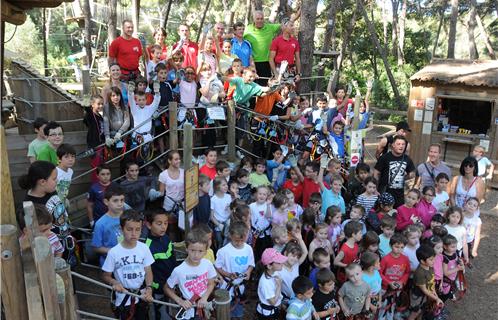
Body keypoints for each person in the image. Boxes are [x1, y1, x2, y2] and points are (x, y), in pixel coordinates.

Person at [102, 210, 154, 320]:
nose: (134, 233)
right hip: (123, 297)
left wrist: (149, 288)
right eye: (129, 229)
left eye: (138, 229)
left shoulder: (144, 248)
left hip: (141, 296)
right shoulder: (114, 252)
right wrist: (114, 282)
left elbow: (148, 271)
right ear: (121, 229)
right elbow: (106, 275)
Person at [165, 229, 217, 319]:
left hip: (204, 306)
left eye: (200, 251)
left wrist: (204, 297)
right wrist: (180, 301)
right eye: (192, 250)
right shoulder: (179, 270)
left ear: (206, 251)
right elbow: (167, 288)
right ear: (186, 249)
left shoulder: (207, 264)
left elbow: (211, 283)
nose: (196, 255)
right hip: (188, 310)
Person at [20, 161, 70, 250]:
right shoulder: (30, 207)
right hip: (52, 249)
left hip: (65, 238)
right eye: (54, 179)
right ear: (42, 182)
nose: (57, 181)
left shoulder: (51, 190)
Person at [215, 221, 255, 318]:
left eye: (242, 240)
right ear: (230, 236)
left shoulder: (248, 249)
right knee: (225, 311)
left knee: (239, 311)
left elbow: (251, 264)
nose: (239, 243)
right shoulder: (223, 251)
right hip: (227, 286)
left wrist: (248, 272)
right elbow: (217, 267)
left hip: (240, 287)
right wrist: (228, 274)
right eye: (236, 240)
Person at [143, 210, 176, 320]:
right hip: (159, 288)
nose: (163, 227)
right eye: (159, 223)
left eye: (165, 223)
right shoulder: (147, 247)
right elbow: (148, 271)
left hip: (172, 283)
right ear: (148, 225)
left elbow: (172, 258)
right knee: (162, 313)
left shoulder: (166, 238)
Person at [374, 135, 415, 208]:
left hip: (399, 195)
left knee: (397, 215)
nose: (401, 146)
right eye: (398, 144)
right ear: (393, 145)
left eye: (403, 144)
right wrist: (375, 188)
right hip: (385, 192)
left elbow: (412, 173)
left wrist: (403, 177)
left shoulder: (407, 159)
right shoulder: (384, 157)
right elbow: (376, 173)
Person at [91, 185, 125, 266]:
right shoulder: (100, 223)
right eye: (115, 201)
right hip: (110, 263)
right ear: (106, 202)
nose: (120, 204)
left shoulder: (129, 217)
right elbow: (96, 247)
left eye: (122, 200)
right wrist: (113, 251)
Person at [378, 234, 410, 319]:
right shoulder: (385, 259)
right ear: (390, 245)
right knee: (383, 306)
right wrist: (388, 282)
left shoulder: (405, 259)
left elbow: (407, 272)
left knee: (393, 305)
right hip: (385, 289)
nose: (399, 250)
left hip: (398, 288)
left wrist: (401, 282)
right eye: (396, 247)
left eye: (402, 247)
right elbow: (379, 273)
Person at [244, 11, 281, 84]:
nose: (260, 21)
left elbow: (285, 25)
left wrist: (297, 14)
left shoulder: (270, 27)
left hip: (267, 62)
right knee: (253, 86)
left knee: (266, 86)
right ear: (253, 20)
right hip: (253, 63)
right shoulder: (248, 29)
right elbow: (236, 35)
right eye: (257, 19)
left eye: (261, 19)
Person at [407, 245, 443, 320]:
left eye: (434, 259)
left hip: (426, 295)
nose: (434, 261)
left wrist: (435, 295)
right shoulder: (420, 273)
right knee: (415, 312)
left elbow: (431, 283)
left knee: (422, 310)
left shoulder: (430, 267)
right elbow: (424, 290)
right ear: (422, 261)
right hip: (418, 297)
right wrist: (436, 299)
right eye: (431, 259)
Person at [256, 248, 287, 319]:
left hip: (274, 309)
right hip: (267, 314)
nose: (282, 263)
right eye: (278, 263)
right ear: (269, 266)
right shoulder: (265, 282)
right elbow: (273, 302)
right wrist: (279, 286)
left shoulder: (275, 272)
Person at [83, 95, 105, 182]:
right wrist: (86, 106)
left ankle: (101, 184)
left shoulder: (100, 116)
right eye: (98, 104)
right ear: (92, 104)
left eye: (102, 104)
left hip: (101, 145)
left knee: (101, 167)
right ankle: (95, 186)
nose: (101, 106)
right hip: (94, 145)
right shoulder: (91, 115)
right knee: (96, 168)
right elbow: (88, 114)